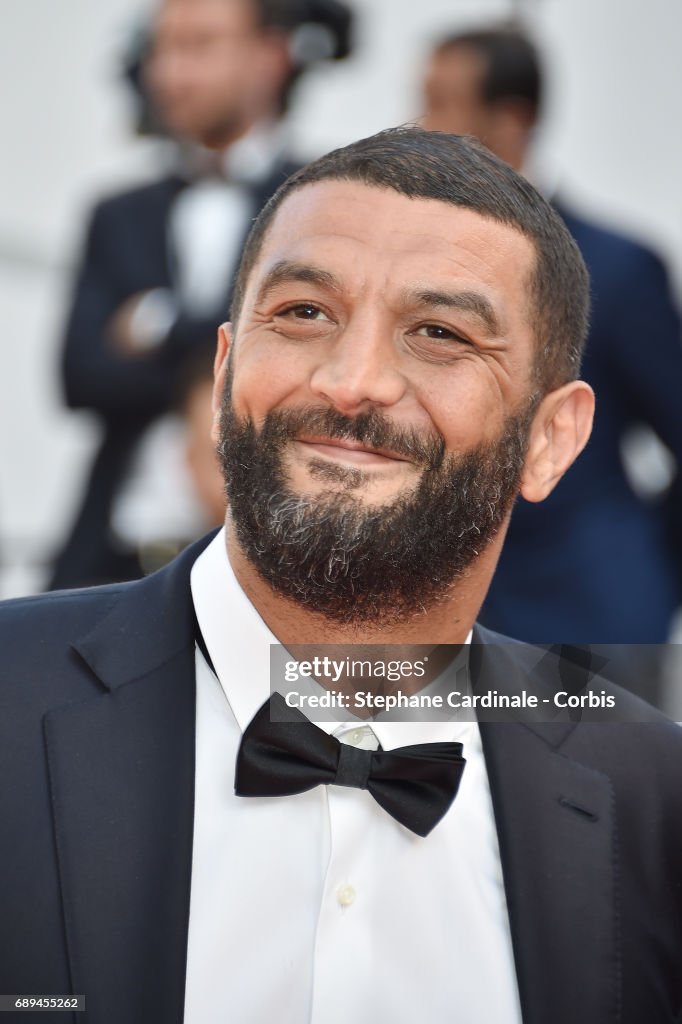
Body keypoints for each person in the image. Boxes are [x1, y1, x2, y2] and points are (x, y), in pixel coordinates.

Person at [1, 129, 680, 1023]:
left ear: (550, 439)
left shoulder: (654, 802)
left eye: (439, 334)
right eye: (304, 314)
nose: (351, 381)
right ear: (222, 371)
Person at [49, 0, 352, 589]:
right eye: (163, 48)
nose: (168, 73)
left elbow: (312, 371)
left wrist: (159, 328)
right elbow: (79, 375)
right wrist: (229, 347)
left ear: (271, 56)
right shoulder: (117, 212)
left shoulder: (327, 202)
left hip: (275, 562)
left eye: (198, 45)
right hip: (114, 554)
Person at [421, 25, 682, 696]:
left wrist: (645, 566)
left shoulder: (619, 268)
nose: (422, 126)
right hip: (434, 619)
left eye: (443, 103)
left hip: (588, 616)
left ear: (511, 118)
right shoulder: (412, 268)